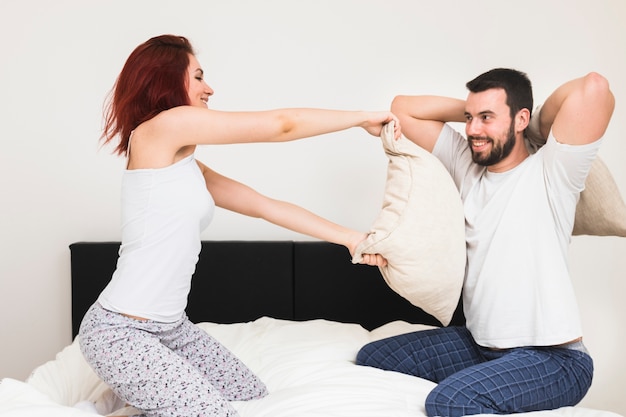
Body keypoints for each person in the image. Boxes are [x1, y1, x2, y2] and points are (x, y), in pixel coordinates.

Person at [78, 34, 395, 417]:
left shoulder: (182, 165)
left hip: (171, 329)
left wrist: (350, 238)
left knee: (251, 397)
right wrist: (360, 118)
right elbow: (282, 125)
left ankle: (139, 399)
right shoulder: (164, 127)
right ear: (165, 80)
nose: (209, 88)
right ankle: (136, 394)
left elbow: (262, 205)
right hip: (121, 332)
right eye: (197, 77)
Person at [356, 68, 615, 417]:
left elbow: (594, 88)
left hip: (554, 359)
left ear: (521, 119)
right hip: (480, 347)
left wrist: (534, 122)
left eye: (487, 118)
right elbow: (402, 108)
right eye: (469, 118)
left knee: (448, 401)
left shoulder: (552, 171)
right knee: (373, 357)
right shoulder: (467, 166)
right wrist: (480, 110)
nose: (474, 130)